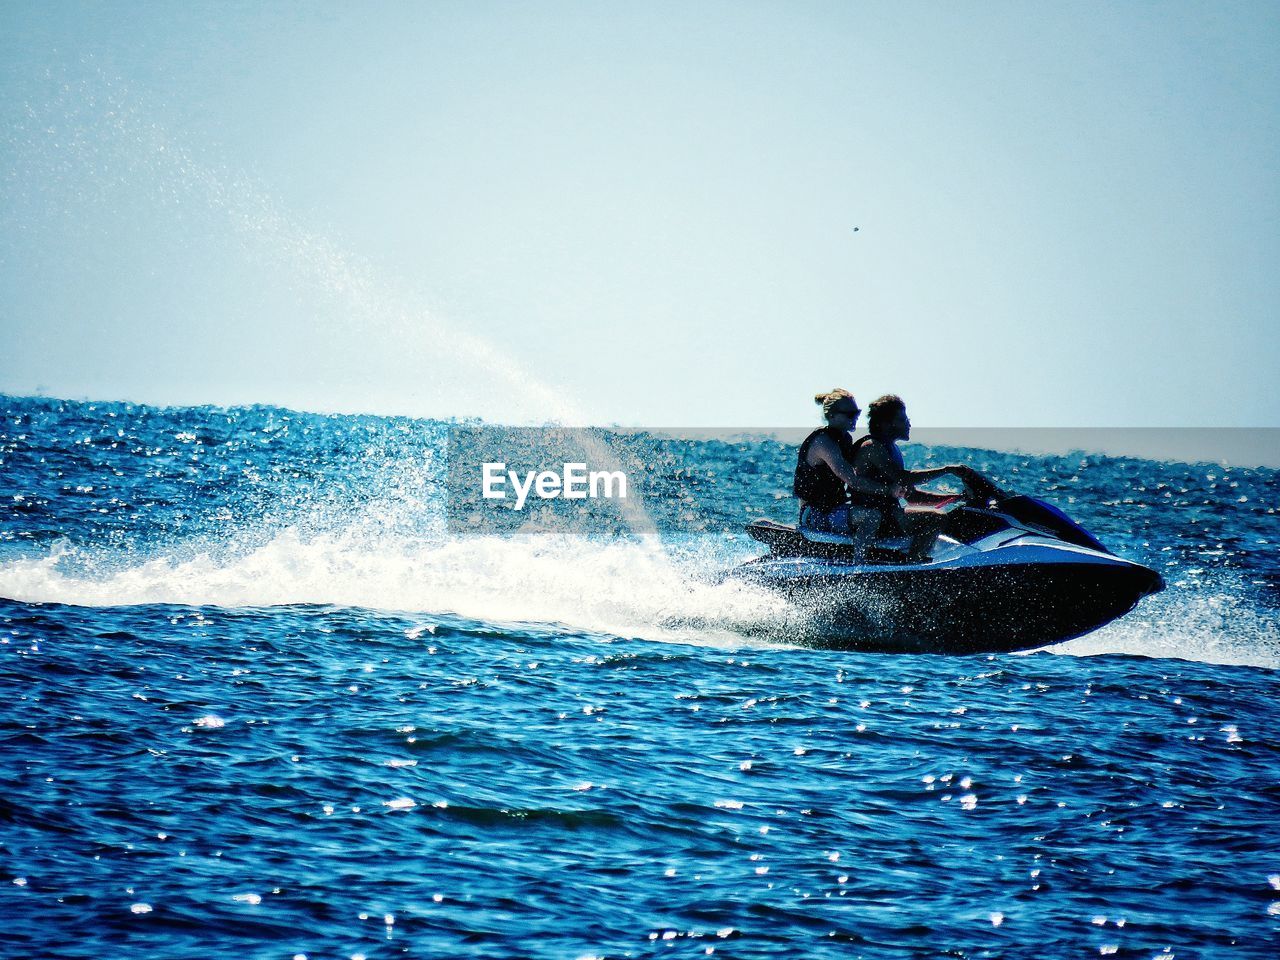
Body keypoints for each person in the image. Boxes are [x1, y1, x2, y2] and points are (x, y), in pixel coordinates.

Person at [851, 394, 1003, 561]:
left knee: (947, 516)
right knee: (937, 518)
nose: (908, 423)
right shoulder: (872, 447)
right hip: (873, 517)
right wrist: (946, 470)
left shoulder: (892, 449)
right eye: (902, 419)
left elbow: (913, 497)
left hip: (891, 515)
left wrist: (955, 497)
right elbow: (903, 478)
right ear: (886, 424)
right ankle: (913, 563)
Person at [794, 389, 904, 558]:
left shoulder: (845, 439)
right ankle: (858, 569)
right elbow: (853, 480)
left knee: (879, 510)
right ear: (831, 416)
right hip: (815, 514)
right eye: (849, 414)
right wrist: (889, 490)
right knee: (872, 516)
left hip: (834, 508)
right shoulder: (823, 442)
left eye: (857, 413)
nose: (855, 417)